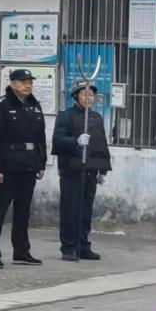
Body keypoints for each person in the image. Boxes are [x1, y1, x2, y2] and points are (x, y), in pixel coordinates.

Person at [0, 69, 47, 268]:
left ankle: (21, 251)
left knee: (23, 210)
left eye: (30, 82)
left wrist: (41, 163)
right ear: (12, 84)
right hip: (8, 165)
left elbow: (41, 137)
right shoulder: (1, 105)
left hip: (29, 164)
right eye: (23, 81)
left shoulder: (34, 105)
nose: (28, 85)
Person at [53, 82, 111, 262]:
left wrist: (103, 169)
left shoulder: (96, 117)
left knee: (86, 210)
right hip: (72, 170)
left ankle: (83, 245)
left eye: (91, 95)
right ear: (76, 96)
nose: (89, 98)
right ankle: (69, 247)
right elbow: (58, 140)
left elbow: (101, 144)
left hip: (90, 171)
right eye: (85, 95)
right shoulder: (65, 116)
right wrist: (75, 141)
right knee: (70, 209)